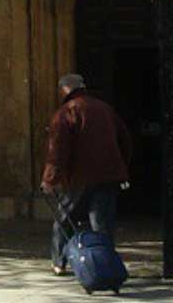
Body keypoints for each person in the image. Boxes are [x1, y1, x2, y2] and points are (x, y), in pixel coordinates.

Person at [41, 73, 133, 276]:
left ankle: (59, 262)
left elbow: (58, 150)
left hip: (78, 178)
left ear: (65, 89)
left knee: (65, 220)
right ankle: (106, 265)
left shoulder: (66, 112)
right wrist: (119, 166)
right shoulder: (105, 109)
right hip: (108, 176)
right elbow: (125, 140)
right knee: (102, 224)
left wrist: (50, 179)